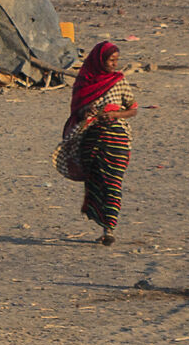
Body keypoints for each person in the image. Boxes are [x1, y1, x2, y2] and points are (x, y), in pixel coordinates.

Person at [56, 41, 137, 245]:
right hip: (90, 139)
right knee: (95, 182)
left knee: (113, 181)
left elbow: (133, 109)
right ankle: (103, 224)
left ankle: (110, 227)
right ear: (100, 60)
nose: (114, 65)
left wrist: (116, 113)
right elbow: (77, 109)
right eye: (111, 60)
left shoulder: (119, 81)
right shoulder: (85, 82)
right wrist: (87, 111)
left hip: (116, 137)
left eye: (117, 60)